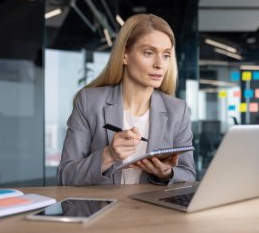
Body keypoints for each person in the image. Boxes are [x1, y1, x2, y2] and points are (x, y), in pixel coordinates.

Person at [57, 14, 196, 186]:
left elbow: (189, 174)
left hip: (154, 210)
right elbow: (66, 176)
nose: (159, 64)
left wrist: (166, 173)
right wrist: (109, 155)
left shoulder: (178, 110)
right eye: (149, 53)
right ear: (125, 55)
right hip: (101, 210)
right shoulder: (89, 102)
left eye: (166, 55)